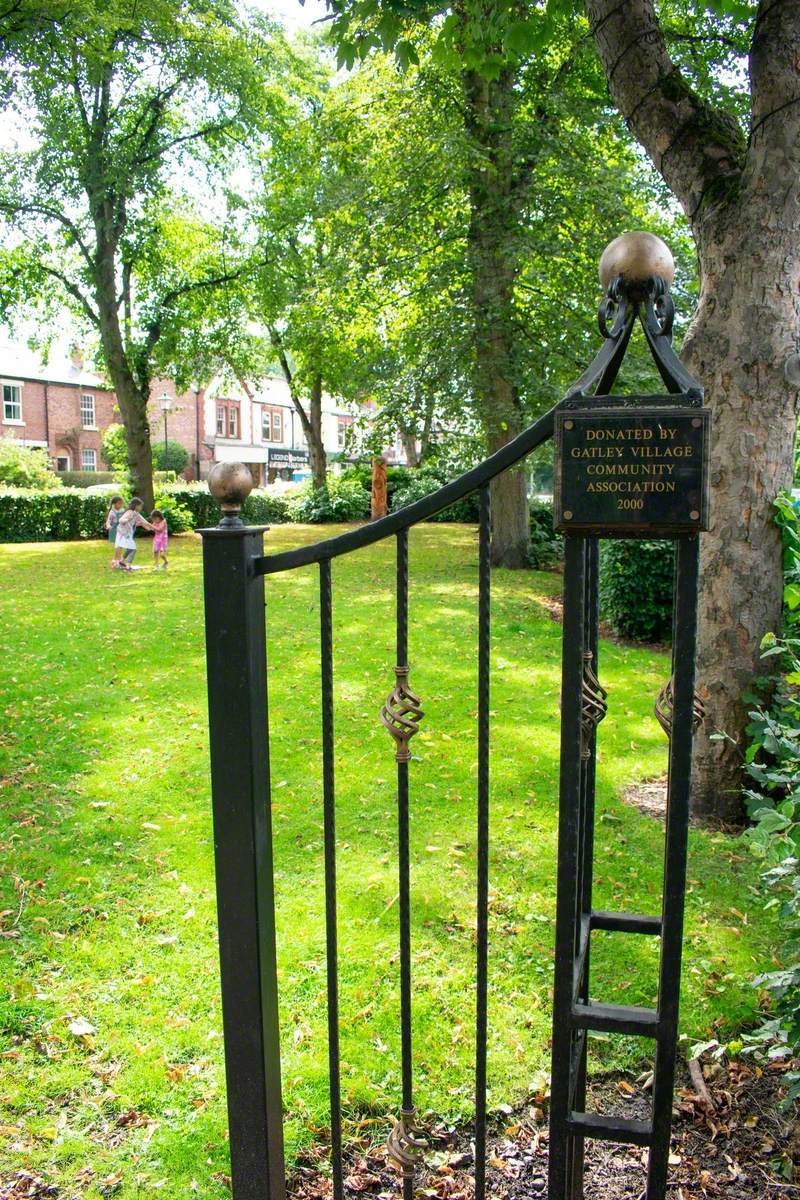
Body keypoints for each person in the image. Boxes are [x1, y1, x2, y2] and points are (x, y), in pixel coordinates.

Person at [114, 498, 154, 571]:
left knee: (130, 549)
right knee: (133, 548)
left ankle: (121, 561)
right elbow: (121, 520)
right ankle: (128, 565)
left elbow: (144, 522)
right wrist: (126, 520)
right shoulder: (129, 512)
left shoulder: (136, 514)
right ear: (136, 506)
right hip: (124, 533)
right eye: (140, 506)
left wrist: (152, 527)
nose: (141, 508)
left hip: (127, 534)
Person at [105, 495, 124, 567]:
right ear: (114, 504)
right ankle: (117, 560)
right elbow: (108, 521)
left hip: (122, 529)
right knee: (117, 546)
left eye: (121, 503)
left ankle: (117, 560)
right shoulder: (112, 512)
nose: (120, 505)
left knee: (120, 545)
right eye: (119, 503)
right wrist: (109, 526)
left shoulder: (122, 510)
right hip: (114, 530)